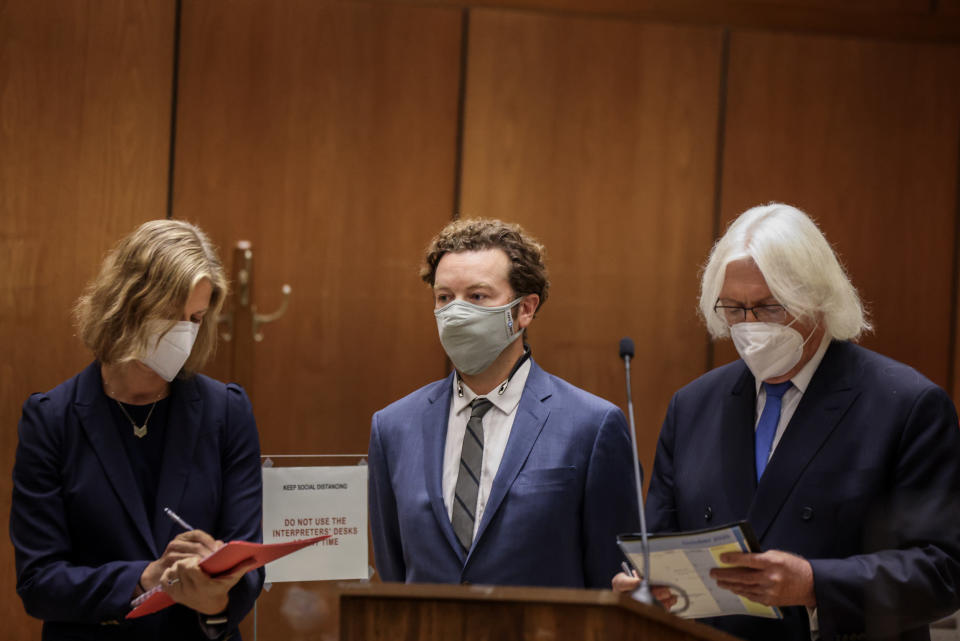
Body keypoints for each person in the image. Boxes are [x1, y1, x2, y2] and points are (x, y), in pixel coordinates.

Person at [613, 203, 960, 641]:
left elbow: (943, 571)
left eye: (770, 307)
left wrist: (815, 584)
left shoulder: (907, 405)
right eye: (734, 309)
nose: (750, 325)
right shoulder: (693, 406)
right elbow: (662, 546)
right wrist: (644, 585)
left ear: (817, 298)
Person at [11, 220, 264, 640]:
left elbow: (249, 565)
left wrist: (215, 597)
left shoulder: (227, 411)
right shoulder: (52, 418)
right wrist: (146, 578)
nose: (185, 333)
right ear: (127, 303)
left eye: (195, 318)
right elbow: (40, 583)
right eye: (171, 313)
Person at [368, 218, 638, 588]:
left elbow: (612, 581)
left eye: (477, 296)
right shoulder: (394, 427)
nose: (455, 313)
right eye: (444, 297)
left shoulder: (591, 426)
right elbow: (393, 570)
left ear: (524, 309)